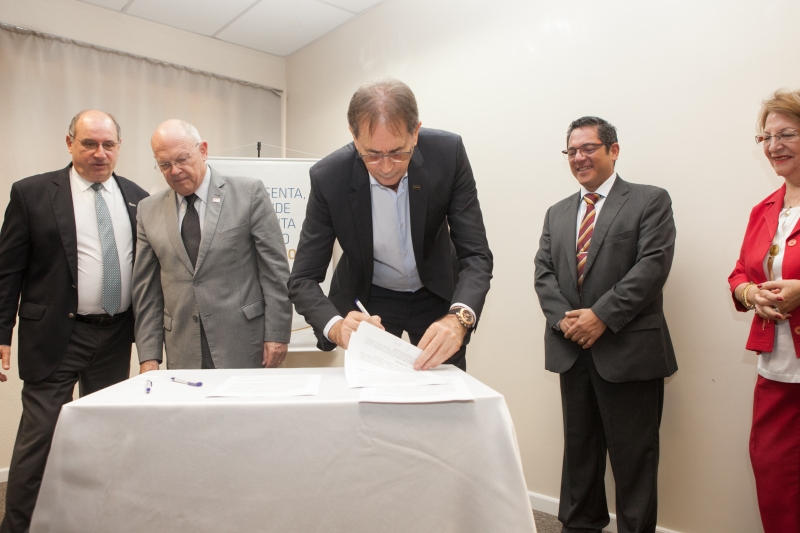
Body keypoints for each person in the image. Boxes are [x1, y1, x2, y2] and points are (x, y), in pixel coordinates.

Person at [0, 110, 148, 533]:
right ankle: (18, 526)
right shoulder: (32, 193)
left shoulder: (139, 197)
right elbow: (8, 269)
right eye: (89, 144)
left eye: (109, 145)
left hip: (117, 335)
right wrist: (1, 331)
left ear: (119, 147)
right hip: (54, 335)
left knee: (105, 438)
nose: (100, 154)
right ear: (70, 144)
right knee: (40, 438)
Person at [288, 79, 492, 370]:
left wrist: (459, 319)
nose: (385, 167)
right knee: (375, 403)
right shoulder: (329, 177)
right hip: (371, 301)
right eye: (371, 154)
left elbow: (475, 254)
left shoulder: (448, 154)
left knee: (445, 398)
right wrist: (336, 326)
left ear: (416, 133)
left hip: (437, 293)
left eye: (398, 152)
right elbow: (302, 278)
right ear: (354, 137)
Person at [534, 116, 677, 533]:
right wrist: (567, 322)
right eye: (572, 150)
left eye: (589, 148)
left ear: (613, 150)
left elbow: (653, 267)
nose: (579, 157)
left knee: (634, 460)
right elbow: (543, 273)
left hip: (629, 353)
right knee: (580, 456)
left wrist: (601, 317)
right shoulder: (557, 213)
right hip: (571, 351)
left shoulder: (650, 200)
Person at [133, 120, 292, 371]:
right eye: (165, 164)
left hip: (244, 343)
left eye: (182, 159)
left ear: (203, 150)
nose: (174, 171)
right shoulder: (147, 210)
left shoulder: (248, 194)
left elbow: (275, 272)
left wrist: (278, 335)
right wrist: (148, 356)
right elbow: (147, 292)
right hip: (183, 348)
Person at [728, 88, 800, 533]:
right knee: (775, 483)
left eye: (786, 133)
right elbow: (738, 275)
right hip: (776, 374)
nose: (774, 145)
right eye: (766, 137)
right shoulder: (764, 210)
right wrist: (751, 295)